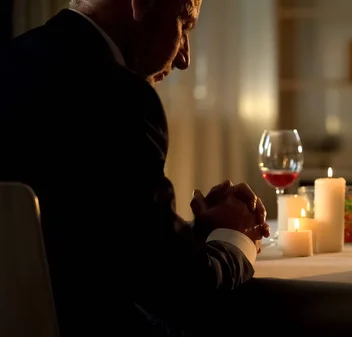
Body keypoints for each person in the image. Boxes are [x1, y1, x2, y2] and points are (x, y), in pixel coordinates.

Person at [0, 0, 269, 336]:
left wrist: (190, 236)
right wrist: (235, 238)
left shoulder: (11, 62)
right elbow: (176, 290)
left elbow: (86, 235)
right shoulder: (120, 95)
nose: (184, 58)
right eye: (184, 25)